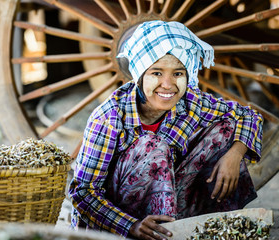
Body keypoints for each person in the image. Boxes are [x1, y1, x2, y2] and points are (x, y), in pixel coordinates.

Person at [68, 20, 263, 240]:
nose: (168, 85)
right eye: (157, 73)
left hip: (167, 208)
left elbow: (247, 115)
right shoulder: (109, 118)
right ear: (140, 75)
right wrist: (131, 226)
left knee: (226, 129)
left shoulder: (190, 100)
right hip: (118, 225)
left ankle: (204, 226)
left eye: (178, 74)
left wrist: (234, 155)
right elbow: (83, 193)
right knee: (153, 145)